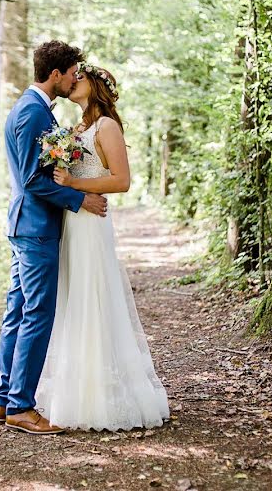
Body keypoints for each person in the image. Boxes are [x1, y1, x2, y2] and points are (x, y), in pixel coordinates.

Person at [34, 62, 170, 431]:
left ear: (96, 85)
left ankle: (103, 395)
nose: (73, 81)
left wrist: (75, 187)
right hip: (72, 222)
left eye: (80, 78)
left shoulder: (107, 126)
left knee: (92, 296)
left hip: (92, 223)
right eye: (72, 76)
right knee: (74, 299)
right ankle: (76, 388)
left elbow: (122, 181)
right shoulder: (77, 129)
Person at [0, 40, 108, 435]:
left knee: (18, 310)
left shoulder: (34, 108)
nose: (76, 78)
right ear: (56, 74)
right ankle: (21, 406)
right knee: (36, 314)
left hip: (27, 226)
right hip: (36, 228)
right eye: (73, 72)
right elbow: (31, 178)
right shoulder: (31, 112)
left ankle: (5, 398)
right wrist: (79, 199)